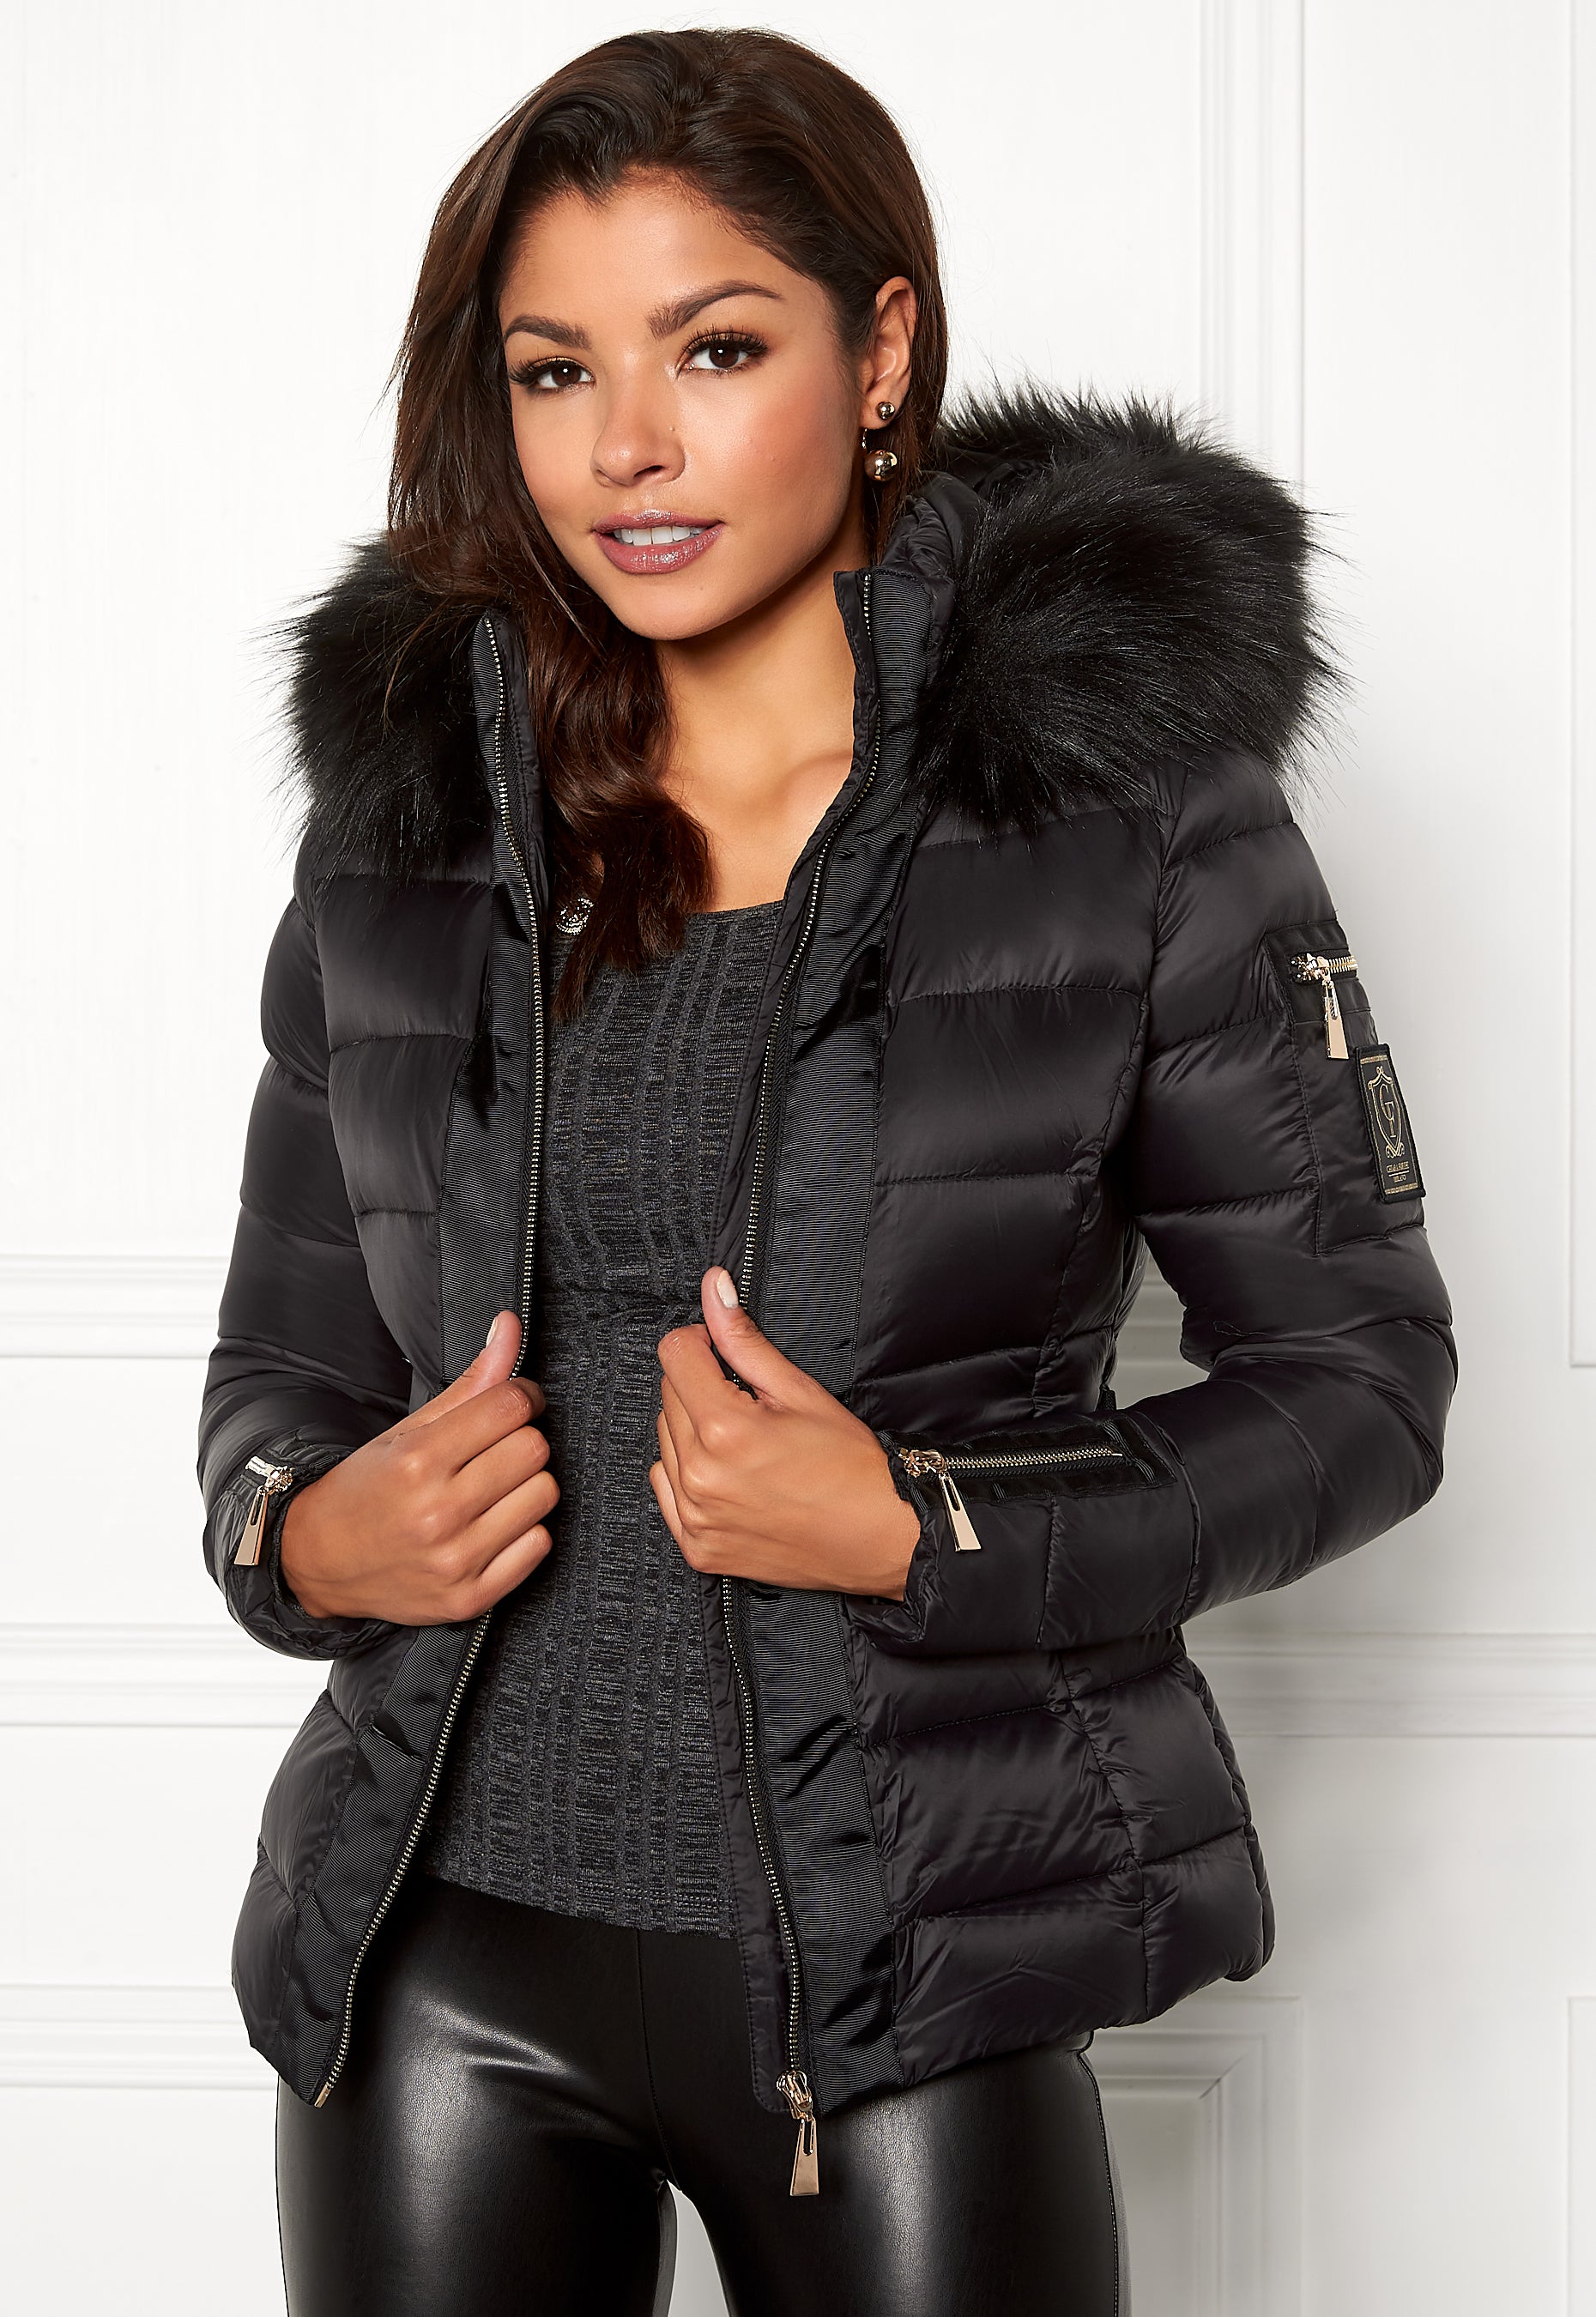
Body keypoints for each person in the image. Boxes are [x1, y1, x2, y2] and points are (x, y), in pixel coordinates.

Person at [197, 26, 1455, 2317]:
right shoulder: (416, 815)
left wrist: (921, 1523)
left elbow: (1359, 1389)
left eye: (715, 348)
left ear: (879, 355)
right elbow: (282, 1365)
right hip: (426, 1965)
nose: (627, 445)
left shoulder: (1124, 812)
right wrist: (302, 1532)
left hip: (906, 1979)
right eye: (556, 369)